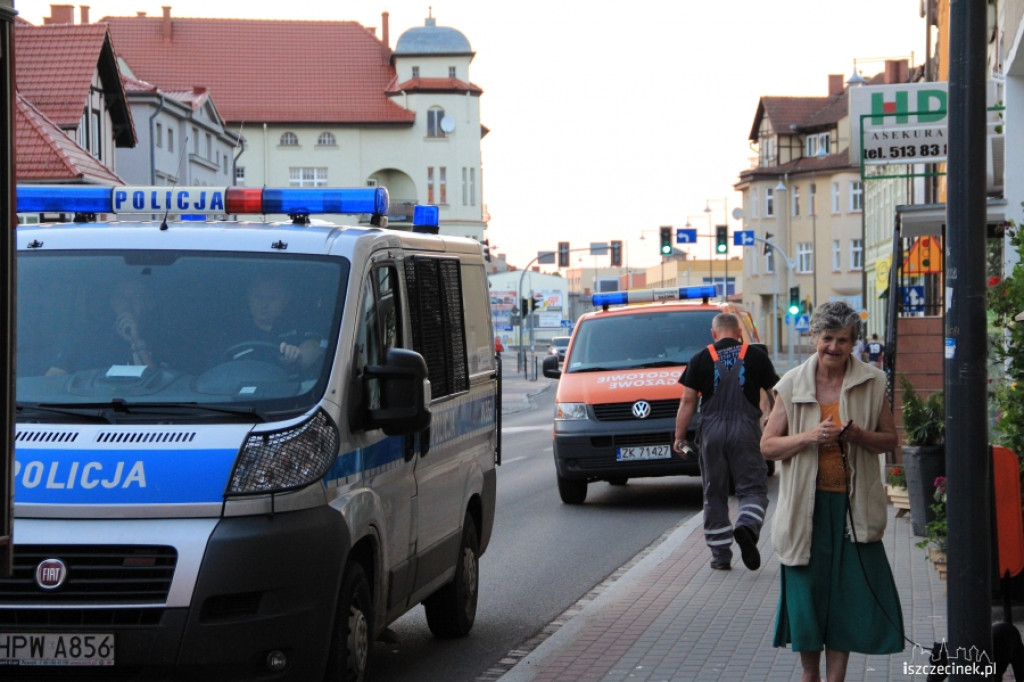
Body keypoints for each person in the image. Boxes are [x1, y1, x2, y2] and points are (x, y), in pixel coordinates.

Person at [760, 301, 901, 682]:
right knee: (806, 600)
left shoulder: (873, 381)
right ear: (814, 338)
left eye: (842, 340)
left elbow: (890, 439)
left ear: (854, 343)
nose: (834, 348)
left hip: (853, 510)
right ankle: (811, 676)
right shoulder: (791, 384)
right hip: (804, 512)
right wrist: (808, 437)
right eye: (827, 339)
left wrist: (859, 436)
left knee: (846, 600)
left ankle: (835, 679)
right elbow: (768, 446)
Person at [672, 312, 779, 571]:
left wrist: (679, 437)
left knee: (714, 493)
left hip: (712, 432)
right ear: (739, 333)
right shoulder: (756, 357)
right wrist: (775, 425)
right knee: (753, 488)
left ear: (714, 334)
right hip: (745, 430)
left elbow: (687, 401)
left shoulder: (699, 358)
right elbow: (777, 393)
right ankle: (747, 526)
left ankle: (720, 556)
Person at [46, 279, 156, 375]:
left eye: (137, 297)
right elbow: (52, 379)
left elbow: (156, 389)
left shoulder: (166, 339)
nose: (127, 303)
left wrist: (137, 343)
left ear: (149, 303)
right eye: (121, 297)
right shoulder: (86, 337)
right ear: (112, 302)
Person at [223, 276, 322, 369]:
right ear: (248, 297)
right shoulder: (231, 330)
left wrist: (296, 355)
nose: (264, 304)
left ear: (285, 300)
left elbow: (312, 349)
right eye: (258, 297)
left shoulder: (298, 323)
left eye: (272, 298)